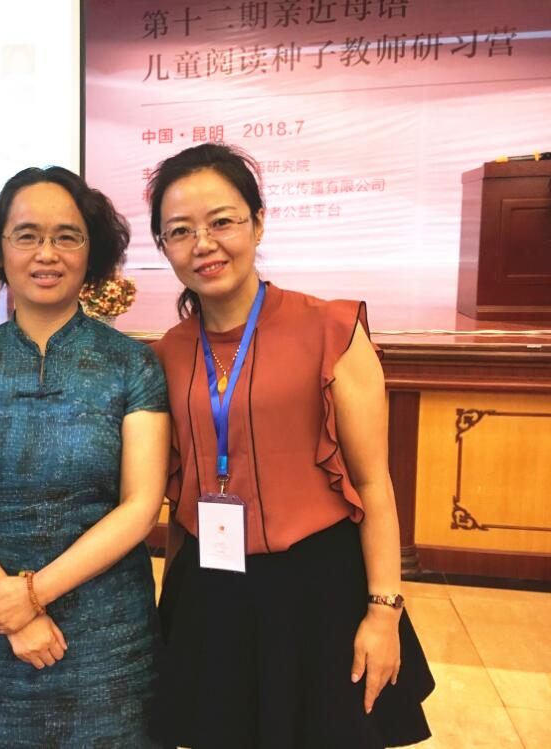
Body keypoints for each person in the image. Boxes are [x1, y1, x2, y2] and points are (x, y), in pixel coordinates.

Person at [147, 143, 435, 749]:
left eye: (222, 221)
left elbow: (373, 484)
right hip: (210, 589)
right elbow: (180, 490)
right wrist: (172, 609)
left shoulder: (331, 329)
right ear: (163, 245)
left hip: (317, 591)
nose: (203, 244)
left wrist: (384, 611)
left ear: (258, 223)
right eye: (180, 231)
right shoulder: (167, 353)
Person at [0, 166, 170, 748]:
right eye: (27, 235)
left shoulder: (131, 364)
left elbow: (141, 506)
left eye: (67, 236)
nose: (47, 253)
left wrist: (31, 595)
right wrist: (12, 608)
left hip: (110, 638)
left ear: (92, 249)